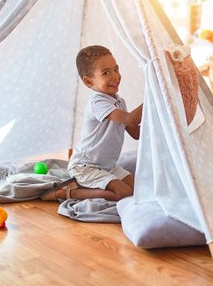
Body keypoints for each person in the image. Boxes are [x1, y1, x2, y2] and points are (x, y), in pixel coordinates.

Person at [41, 45, 142, 202]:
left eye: (116, 69)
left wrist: (158, 123)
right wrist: (152, 99)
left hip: (108, 167)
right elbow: (130, 119)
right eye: (106, 73)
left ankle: (90, 185)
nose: (115, 76)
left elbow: (135, 133)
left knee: (137, 190)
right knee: (124, 194)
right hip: (85, 167)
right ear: (89, 81)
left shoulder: (120, 102)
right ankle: (66, 192)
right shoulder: (98, 103)